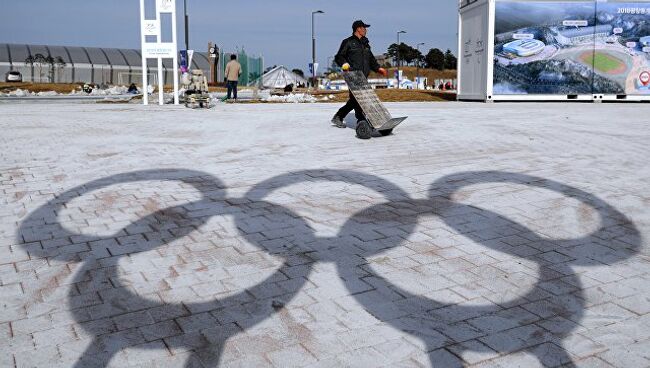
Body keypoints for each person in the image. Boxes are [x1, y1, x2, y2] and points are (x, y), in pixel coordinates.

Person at [331, 20, 387, 128]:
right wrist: (344, 64)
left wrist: (378, 68)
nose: (366, 30)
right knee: (358, 98)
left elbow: (371, 60)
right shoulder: (348, 42)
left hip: (363, 76)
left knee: (357, 98)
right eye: (364, 28)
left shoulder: (366, 44)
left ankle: (341, 117)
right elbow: (339, 56)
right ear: (358, 29)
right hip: (353, 75)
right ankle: (360, 120)